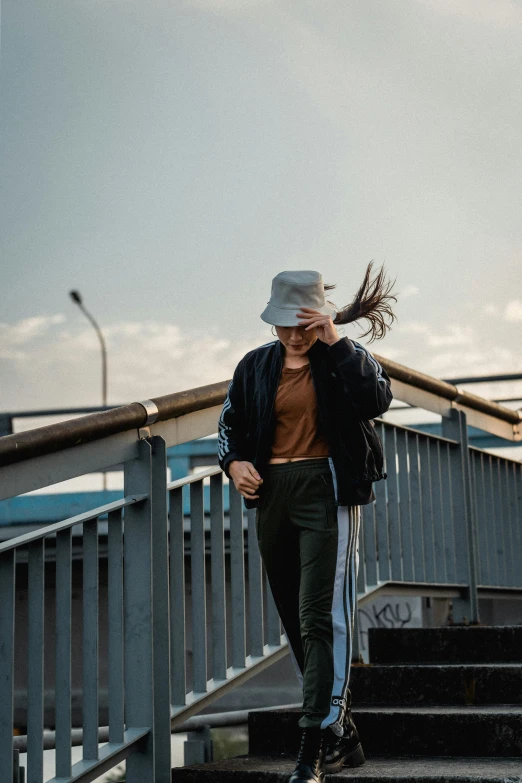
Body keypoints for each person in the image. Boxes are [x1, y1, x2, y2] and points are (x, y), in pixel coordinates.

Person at [218, 263, 396, 783]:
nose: (294, 336)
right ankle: (343, 733)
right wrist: (233, 464)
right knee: (296, 619)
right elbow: (228, 422)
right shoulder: (254, 366)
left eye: (304, 324)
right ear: (271, 322)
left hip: (329, 492)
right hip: (273, 496)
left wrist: (337, 343)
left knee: (321, 615)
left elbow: (376, 399)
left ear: (319, 319)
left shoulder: (345, 357)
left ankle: (313, 742)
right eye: (284, 324)